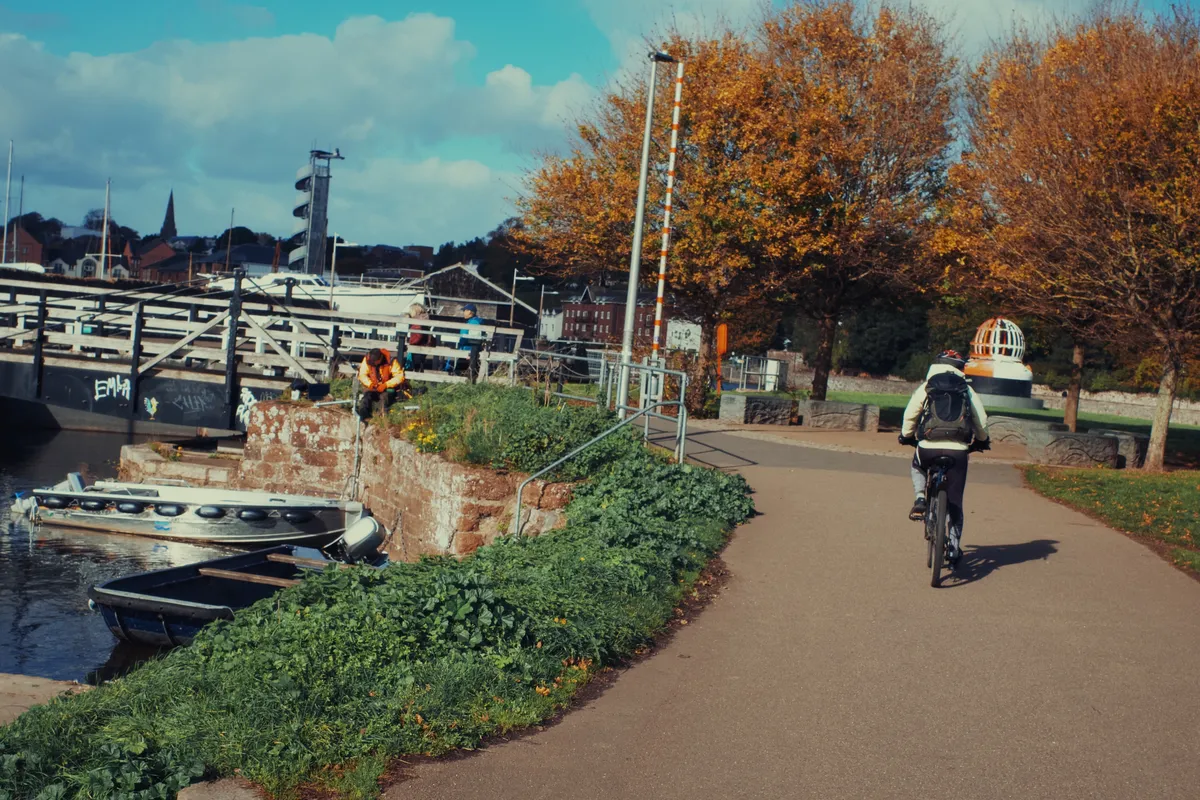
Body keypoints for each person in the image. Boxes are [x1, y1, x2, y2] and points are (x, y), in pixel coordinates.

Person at [898, 349, 991, 565]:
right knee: (955, 501)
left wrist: (906, 436)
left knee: (918, 464)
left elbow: (911, 414)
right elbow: (981, 419)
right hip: (957, 450)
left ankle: (920, 498)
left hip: (928, 447)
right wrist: (982, 440)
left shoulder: (927, 386)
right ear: (960, 368)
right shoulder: (965, 388)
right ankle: (954, 548)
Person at [356, 347, 405, 420]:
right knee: (366, 397)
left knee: (384, 397)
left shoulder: (391, 361)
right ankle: (363, 417)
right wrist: (370, 384)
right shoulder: (367, 360)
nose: (372, 363)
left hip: (388, 389)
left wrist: (386, 385)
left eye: (374, 362)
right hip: (373, 387)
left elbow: (400, 377)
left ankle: (382, 418)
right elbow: (362, 375)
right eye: (371, 362)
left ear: (380, 359)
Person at [449, 303, 485, 382]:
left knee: (459, 370)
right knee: (462, 369)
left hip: (468, 350)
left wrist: (462, 345)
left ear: (470, 312)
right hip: (469, 349)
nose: (464, 312)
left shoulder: (473, 323)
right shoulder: (474, 321)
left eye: (465, 311)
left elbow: (470, 338)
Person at [406, 303, 432, 373]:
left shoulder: (417, 322)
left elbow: (417, 336)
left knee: (416, 363)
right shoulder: (424, 320)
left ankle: (417, 375)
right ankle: (419, 374)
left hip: (417, 345)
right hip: (424, 344)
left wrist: (411, 342)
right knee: (420, 362)